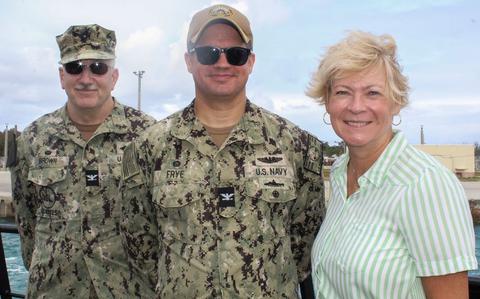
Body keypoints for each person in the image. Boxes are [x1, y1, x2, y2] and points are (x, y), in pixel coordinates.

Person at [120, 4, 325, 298]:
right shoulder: (148, 148)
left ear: (251, 62)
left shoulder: (297, 146)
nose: (222, 63)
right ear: (189, 61)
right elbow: (140, 243)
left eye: (236, 54)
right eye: (208, 54)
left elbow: (303, 245)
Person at [307, 31, 477, 299]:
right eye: (343, 92)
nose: (356, 106)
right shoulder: (340, 173)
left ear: (396, 102)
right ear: (327, 101)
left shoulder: (426, 184)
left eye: (372, 93)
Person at [10, 24, 156, 298]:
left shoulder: (148, 136)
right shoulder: (33, 138)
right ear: (61, 76)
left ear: (114, 77)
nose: (86, 78)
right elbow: (26, 220)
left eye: (98, 68)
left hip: (129, 290)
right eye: (75, 67)